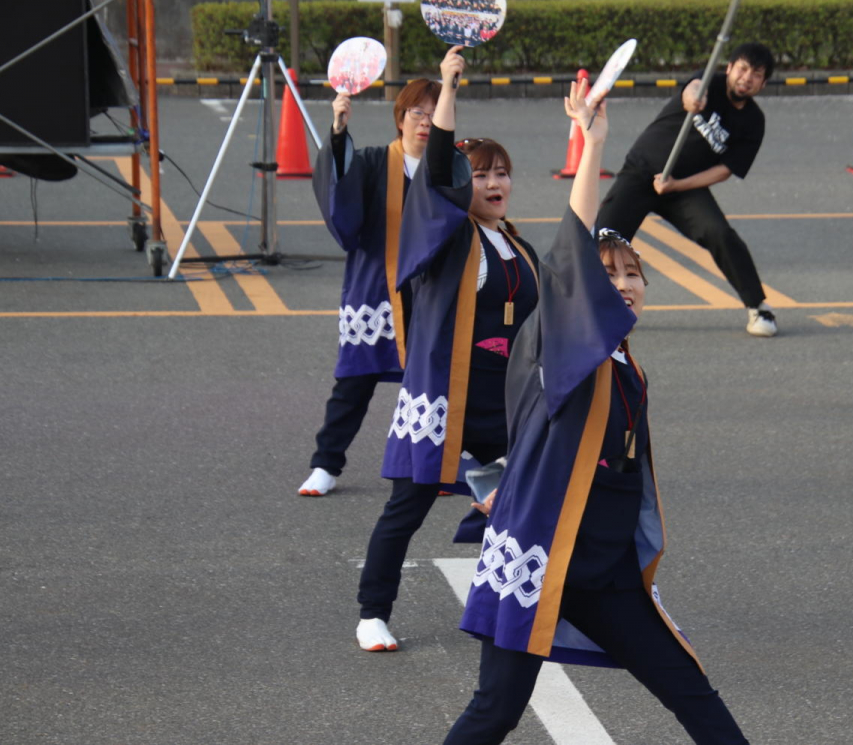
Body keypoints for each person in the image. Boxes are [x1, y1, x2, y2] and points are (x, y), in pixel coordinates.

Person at [443, 78, 749, 745]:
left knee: (691, 688)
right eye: (607, 276)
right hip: (540, 559)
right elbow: (571, 255)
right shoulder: (568, 347)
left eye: (633, 273)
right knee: (495, 710)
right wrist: (593, 144)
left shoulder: (623, 365)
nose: (623, 284)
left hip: (603, 572)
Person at [355, 46, 542, 651]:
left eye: (501, 172)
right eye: (481, 174)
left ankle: (514, 605)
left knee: (532, 504)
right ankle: (371, 612)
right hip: (445, 400)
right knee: (406, 508)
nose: (493, 183)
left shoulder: (518, 246)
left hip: (506, 406)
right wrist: (448, 86)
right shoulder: (445, 238)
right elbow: (436, 172)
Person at [299, 78, 440, 497]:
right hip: (377, 288)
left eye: (435, 115)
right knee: (354, 381)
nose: (426, 123)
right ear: (400, 118)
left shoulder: (450, 169)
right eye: (418, 113)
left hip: (433, 293)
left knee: (439, 381)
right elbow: (343, 206)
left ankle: (443, 462)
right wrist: (339, 133)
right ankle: (326, 464)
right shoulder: (375, 162)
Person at [596, 42, 778, 337]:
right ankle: (585, 308)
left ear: (763, 83)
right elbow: (692, 90)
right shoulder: (709, 83)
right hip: (641, 171)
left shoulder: (754, 122)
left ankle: (758, 307)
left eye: (756, 74)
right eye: (742, 69)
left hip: (682, 188)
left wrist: (676, 185)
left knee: (720, 233)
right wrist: (693, 99)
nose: (747, 78)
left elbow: (725, 170)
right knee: (604, 238)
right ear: (729, 68)